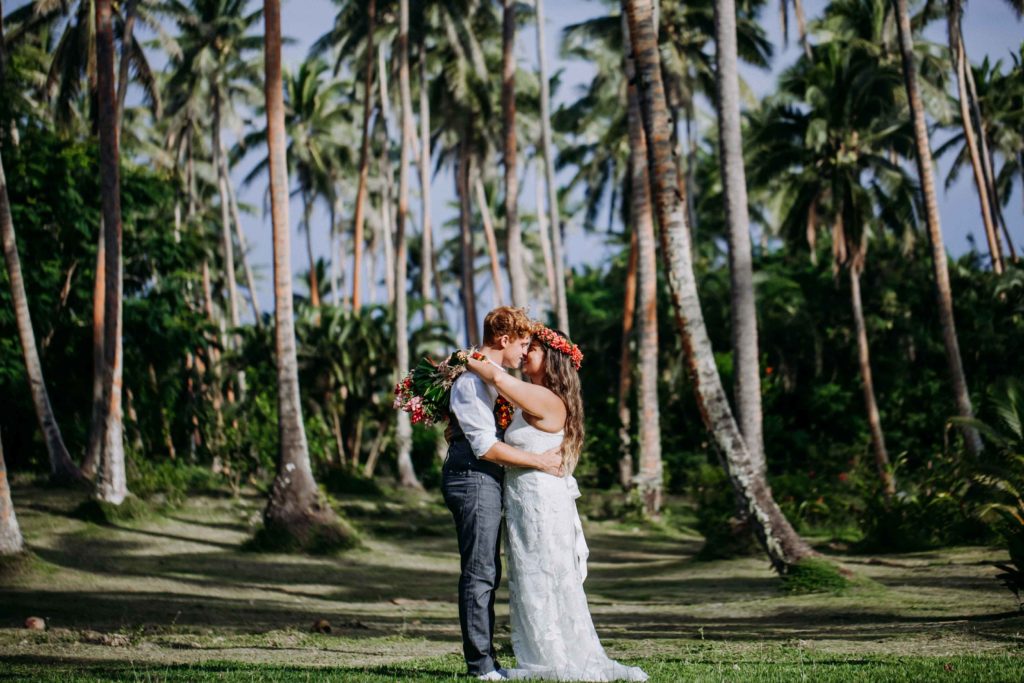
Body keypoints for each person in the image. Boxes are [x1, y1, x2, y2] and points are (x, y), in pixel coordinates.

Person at [465, 325, 647, 682]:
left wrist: (464, 358)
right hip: (525, 499)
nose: (525, 352)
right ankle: (542, 655)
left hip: (539, 502)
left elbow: (492, 375)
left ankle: (555, 660)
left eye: (531, 347)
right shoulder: (535, 395)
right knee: (531, 577)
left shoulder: (546, 399)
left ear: (551, 358)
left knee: (544, 576)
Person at [442, 306, 563, 681]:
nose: (525, 353)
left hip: (486, 477)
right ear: (504, 339)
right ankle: (480, 665)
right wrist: (539, 462)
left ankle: (490, 661)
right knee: (480, 571)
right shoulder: (471, 383)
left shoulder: (491, 380)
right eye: (523, 344)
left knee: (488, 571)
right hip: (473, 475)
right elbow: (485, 447)